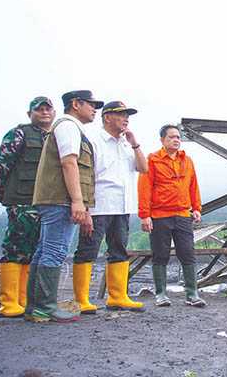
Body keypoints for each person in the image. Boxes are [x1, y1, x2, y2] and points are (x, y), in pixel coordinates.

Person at [27, 90, 103, 323]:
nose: (94, 109)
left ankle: (36, 307)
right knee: (55, 251)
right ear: (75, 104)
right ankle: (45, 307)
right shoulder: (68, 126)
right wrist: (78, 201)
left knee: (45, 250)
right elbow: (69, 162)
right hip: (60, 199)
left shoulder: (66, 126)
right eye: (90, 104)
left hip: (55, 198)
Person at [72, 101, 148, 314]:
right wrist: (84, 207)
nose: (126, 119)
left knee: (119, 250)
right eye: (121, 114)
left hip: (123, 206)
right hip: (98, 205)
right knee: (88, 249)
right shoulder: (93, 140)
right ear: (107, 117)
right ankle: (81, 300)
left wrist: (135, 144)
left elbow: (143, 168)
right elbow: (84, 175)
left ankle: (117, 296)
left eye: (127, 115)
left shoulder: (126, 143)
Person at [0, 97, 55, 318]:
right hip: (21, 201)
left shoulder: (55, 136)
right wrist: (3, 196)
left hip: (46, 202)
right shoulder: (19, 134)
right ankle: (9, 303)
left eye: (48, 109)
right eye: (39, 109)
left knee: (35, 250)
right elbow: (0, 165)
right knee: (16, 248)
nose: (45, 112)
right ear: (30, 114)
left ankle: (24, 299)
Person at [138, 124, 205, 307]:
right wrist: (145, 215)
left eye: (178, 137)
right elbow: (145, 188)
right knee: (160, 254)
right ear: (162, 140)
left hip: (183, 214)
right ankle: (161, 294)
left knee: (187, 253)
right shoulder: (152, 160)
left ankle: (192, 294)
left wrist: (197, 207)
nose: (176, 140)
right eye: (171, 137)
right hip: (160, 215)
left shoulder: (187, 160)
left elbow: (193, 185)